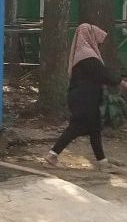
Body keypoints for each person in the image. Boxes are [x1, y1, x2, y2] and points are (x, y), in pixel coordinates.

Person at [45, 23, 121, 171]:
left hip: (84, 99)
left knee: (94, 129)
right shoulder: (87, 55)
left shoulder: (81, 54)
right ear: (89, 37)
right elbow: (102, 74)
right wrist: (119, 81)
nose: (99, 45)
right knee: (76, 128)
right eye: (97, 41)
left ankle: (102, 162)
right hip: (85, 100)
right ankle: (52, 154)